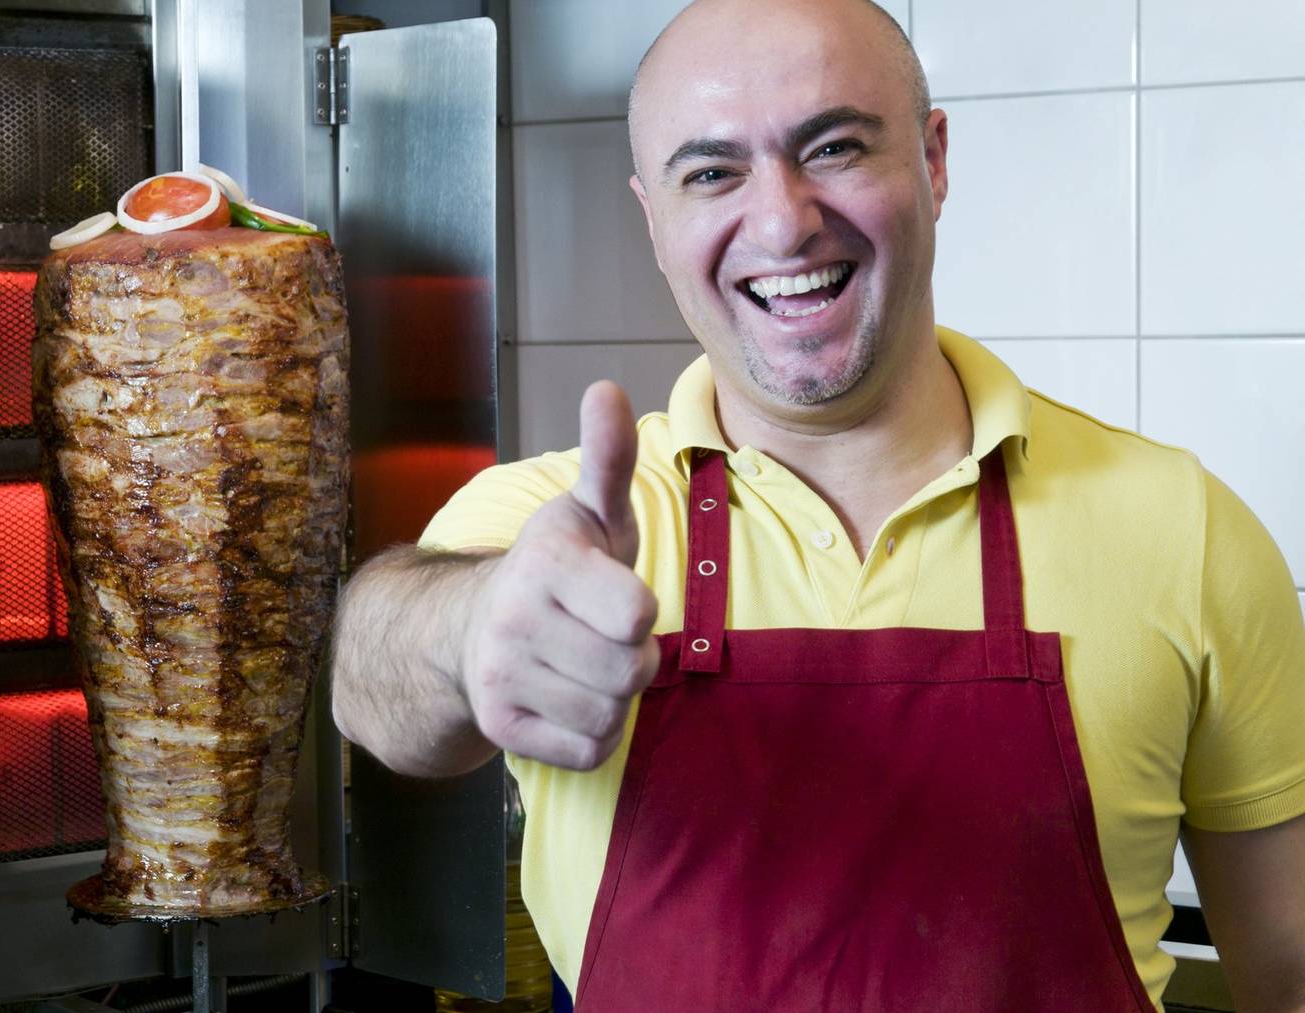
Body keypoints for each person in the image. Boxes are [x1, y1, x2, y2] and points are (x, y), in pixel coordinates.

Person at [328, 0, 1305, 1009]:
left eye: (833, 147)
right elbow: (370, 675)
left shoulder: (1179, 527)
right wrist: (473, 624)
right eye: (712, 172)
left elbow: (1289, 969)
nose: (784, 220)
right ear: (653, 218)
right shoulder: (560, 532)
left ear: (932, 161)